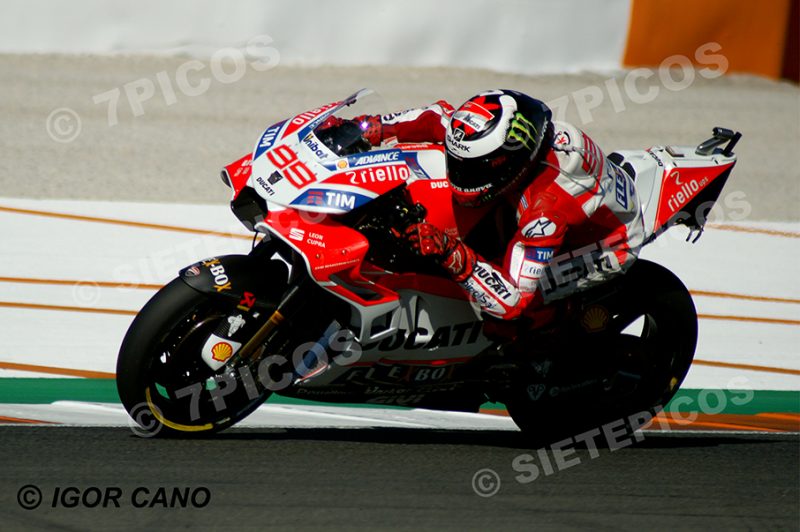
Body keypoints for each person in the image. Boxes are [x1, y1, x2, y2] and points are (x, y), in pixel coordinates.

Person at [341, 90, 645, 336]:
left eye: (472, 170)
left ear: (510, 164)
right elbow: (435, 117)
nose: (459, 174)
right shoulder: (489, 138)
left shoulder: (545, 212)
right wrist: (370, 128)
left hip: (604, 246)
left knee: (504, 323)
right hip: (550, 201)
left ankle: (546, 345)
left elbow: (512, 299)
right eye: (457, 162)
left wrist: (451, 252)